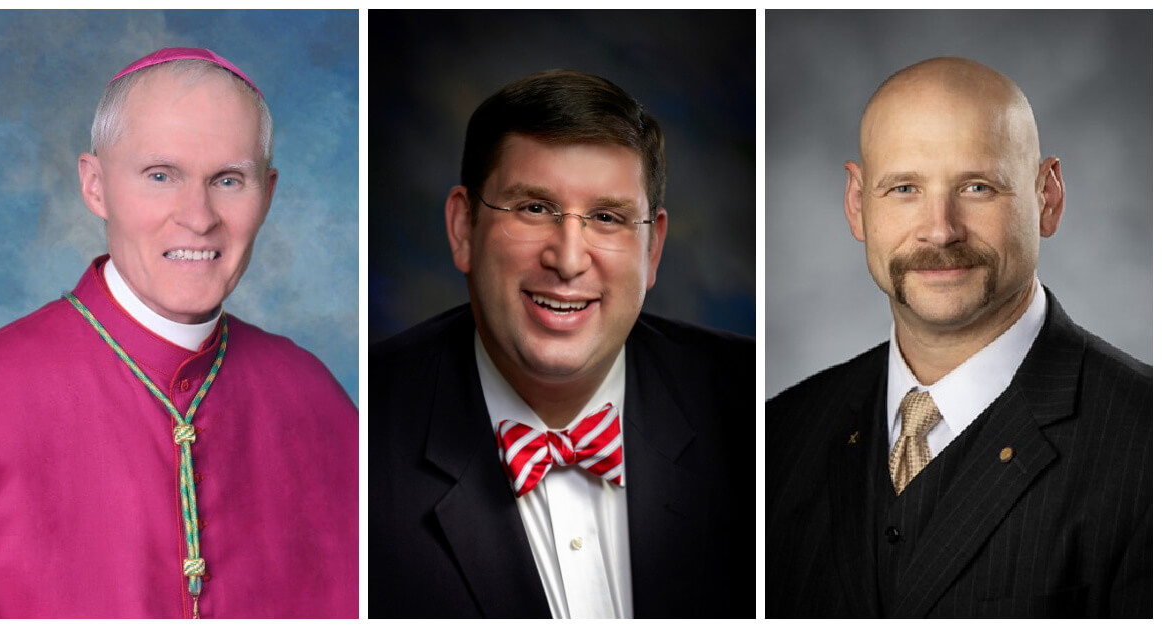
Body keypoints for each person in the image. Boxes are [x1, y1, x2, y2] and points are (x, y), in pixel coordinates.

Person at [0, 48, 358, 619]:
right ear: (96, 185)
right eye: (161, 175)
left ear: (268, 194)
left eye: (228, 180)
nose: (198, 216)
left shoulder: (315, 395)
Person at [765, 57, 1150, 618]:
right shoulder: (778, 436)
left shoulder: (1146, 445)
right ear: (856, 205)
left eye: (977, 186)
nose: (941, 229)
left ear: (1048, 197)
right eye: (903, 188)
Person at [368, 69, 755, 618]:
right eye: (534, 208)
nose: (568, 259)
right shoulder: (357, 432)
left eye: (606, 218)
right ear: (463, 228)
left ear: (652, 250)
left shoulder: (759, 412)